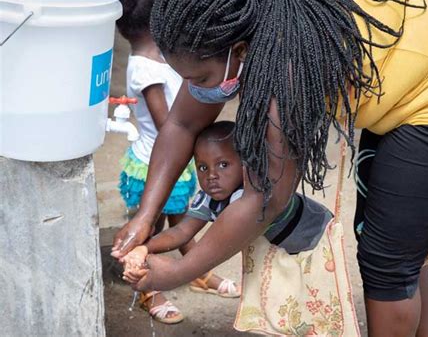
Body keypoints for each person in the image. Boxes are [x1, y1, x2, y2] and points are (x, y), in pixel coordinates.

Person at [111, 0, 428, 336]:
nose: (192, 89)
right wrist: (146, 214)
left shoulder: (287, 70)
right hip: (417, 84)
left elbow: (264, 198)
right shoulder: (232, 38)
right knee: (397, 242)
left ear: (239, 51)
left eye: (201, 79)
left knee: (388, 261)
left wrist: (178, 271)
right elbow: (181, 125)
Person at [114, 0, 238, 324]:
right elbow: (166, 122)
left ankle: (197, 272)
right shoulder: (144, 67)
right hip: (152, 163)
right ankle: (148, 289)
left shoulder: (169, 59)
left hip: (178, 161)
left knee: (182, 222)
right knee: (150, 227)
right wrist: (205, 141)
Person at [121, 121, 332, 282]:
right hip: (283, 252)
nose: (211, 175)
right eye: (203, 167)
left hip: (319, 238)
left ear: (244, 163)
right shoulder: (208, 199)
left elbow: (211, 245)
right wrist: (144, 248)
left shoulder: (256, 193)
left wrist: (173, 271)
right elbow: (181, 232)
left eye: (223, 165)